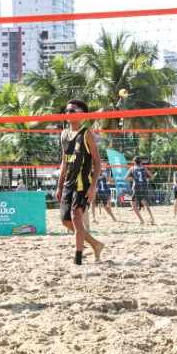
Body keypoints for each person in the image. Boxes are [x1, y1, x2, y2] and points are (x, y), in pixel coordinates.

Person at [56, 99, 104, 265]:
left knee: (76, 217)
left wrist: (93, 186)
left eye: (72, 110)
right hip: (68, 184)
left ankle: (78, 259)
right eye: (67, 110)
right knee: (65, 220)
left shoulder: (86, 134)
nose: (68, 113)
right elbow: (64, 162)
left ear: (82, 114)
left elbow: (97, 162)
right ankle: (95, 244)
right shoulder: (64, 134)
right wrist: (59, 186)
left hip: (83, 183)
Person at [124, 157, 155, 225]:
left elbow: (125, 178)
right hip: (144, 187)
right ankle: (152, 218)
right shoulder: (144, 168)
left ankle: (141, 220)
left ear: (134, 162)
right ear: (140, 162)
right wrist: (145, 178)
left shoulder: (132, 168)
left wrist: (133, 179)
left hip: (136, 187)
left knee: (133, 204)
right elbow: (152, 177)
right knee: (145, 203)